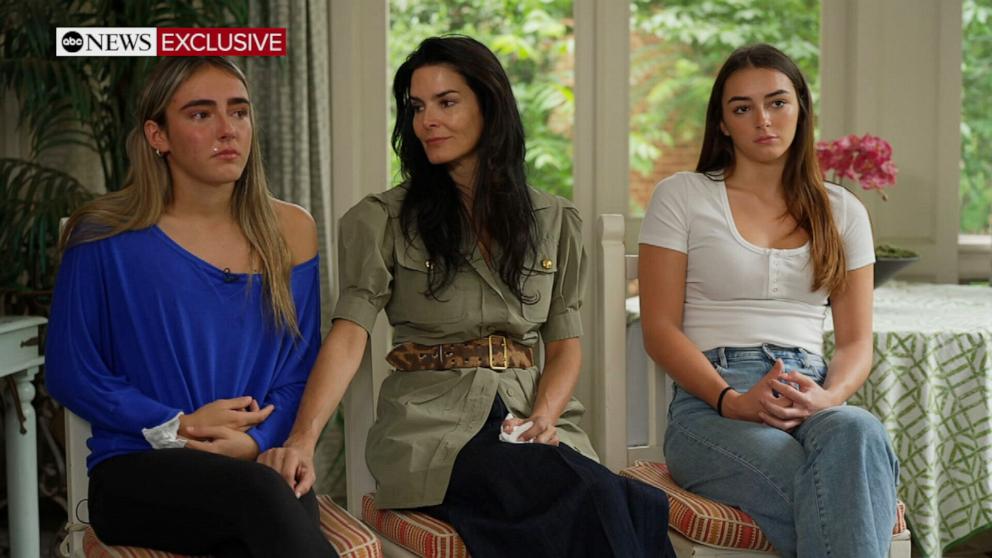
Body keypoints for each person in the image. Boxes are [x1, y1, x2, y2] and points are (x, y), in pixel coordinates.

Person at [259, 36, 675, 558]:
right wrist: (302, 439)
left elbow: (565, 342)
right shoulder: (382, 219)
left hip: (534, 422)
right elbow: (349, 334)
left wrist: (544, 417)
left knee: (624, 501)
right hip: (432, 425)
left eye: (446, 102)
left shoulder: (554, 221)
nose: (427, 120)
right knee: (596, 498)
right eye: (416, 107)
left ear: (490, 104)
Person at [46, 57, 337, 558]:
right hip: (137, 469)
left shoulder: (291, 230)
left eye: (239, 112)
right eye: (201, 115)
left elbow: (300, 366)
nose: (228, 129)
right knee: (265, 499)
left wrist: (256, 441)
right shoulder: (103, 235)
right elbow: (73, 370)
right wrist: (179, 423)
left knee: (267, 506)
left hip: (255, 463)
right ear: (157, 135)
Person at [638, 43, 899, 558]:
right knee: (845, 485)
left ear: (801, 109)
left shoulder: (843, 211)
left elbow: (855, 342)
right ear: (723, 124)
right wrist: (730, 400)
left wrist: (827, 398)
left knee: (859, 430)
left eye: (777, 102)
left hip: (812, 397)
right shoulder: (682, 197)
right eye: (742, 108)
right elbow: (660, 330)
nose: (763, 119)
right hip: (712, 407)